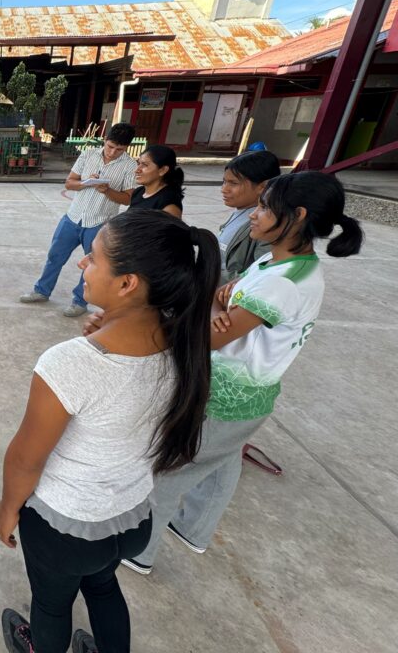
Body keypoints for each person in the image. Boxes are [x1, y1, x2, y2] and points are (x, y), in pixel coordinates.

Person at [0, 209, 220, 653]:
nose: (83, 263)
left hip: (67, 527)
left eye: (93, 258)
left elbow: (25, 458)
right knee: (102, 588)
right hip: (132, 516)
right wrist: (112, 322)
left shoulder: (70, 363)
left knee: (53, 606)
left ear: (128, 283)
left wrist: (6, 507)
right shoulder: (184, 344)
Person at [122, 172, 363, 576]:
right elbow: (227, 298)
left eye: (266, 206)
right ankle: (195, 529)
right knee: (221, 461)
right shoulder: (285, 262)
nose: (255, 212)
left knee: (170, 470)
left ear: (298, 215)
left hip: (225, 397)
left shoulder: (282, 284)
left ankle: (139, 551)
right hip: (251, 398)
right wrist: (223, 305)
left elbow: (210, 338)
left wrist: (215, 311)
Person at [20, 123, 138, 316]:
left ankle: (80, 302)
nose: (112, 152)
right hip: (73, 217)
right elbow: (70, 182)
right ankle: (41, 290)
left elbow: (128, 198)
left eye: (119, 149)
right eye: (110, 146)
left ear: (126, 148)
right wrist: (85, 183)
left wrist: (107, 190)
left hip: (100, 222)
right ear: (105, 140)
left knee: (92, 265)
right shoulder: (88, 155)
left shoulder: (130, 165)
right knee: (55, 256)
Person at [218, 150, 281, 281]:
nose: (224, 189)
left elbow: (258, 276)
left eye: (233, 183)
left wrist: (207, 274)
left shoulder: (264, 224)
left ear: (263, 186)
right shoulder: (239, 211)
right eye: (224, 182)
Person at [128, 145, 184, 218]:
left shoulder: (168, 205)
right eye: (138, 163)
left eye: (145, 165)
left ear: (163, 170)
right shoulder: (138, 192)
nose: (137, 170)